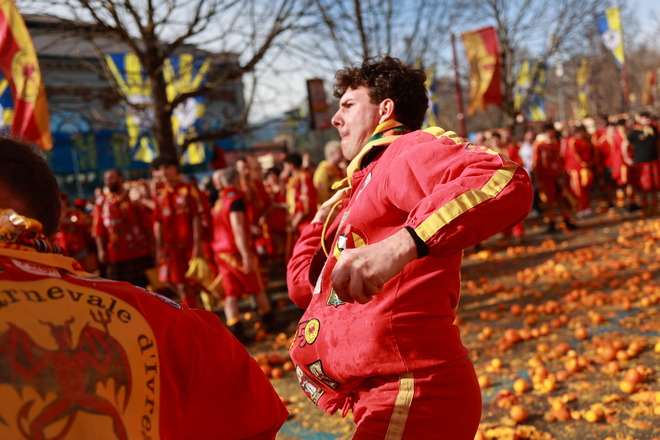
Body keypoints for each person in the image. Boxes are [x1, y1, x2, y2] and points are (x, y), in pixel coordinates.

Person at [286, 56, 533, 439]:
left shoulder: (407, 149)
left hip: (412, 388)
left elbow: (504, 178)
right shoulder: (360, 184)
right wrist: (318, 223)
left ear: (385, 109)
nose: (335, 119)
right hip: (379, 393)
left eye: (348, 105)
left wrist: (400, 246)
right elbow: (302, 287)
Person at [0, 136, 288, 439]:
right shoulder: (171, 321)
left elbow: (196, 222)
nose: (161, 175)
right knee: (209, 290)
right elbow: (254, 414)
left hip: (189, 252)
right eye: (158, 171)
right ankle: (242, 323)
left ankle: (261, 320)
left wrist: (192, 249)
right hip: (164, 263)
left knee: (211, 288)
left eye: (165, 170)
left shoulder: (190, 194)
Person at [211, 167, 274, 339]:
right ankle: (269, 321)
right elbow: (237, 228)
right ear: (237, 180)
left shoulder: (219, 201)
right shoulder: (235, 200)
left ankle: (236, 330)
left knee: (230, 293)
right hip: (235, 252)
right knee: (256, 287)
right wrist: (245, 254)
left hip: (221, 252)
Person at [151, 156, 204, 308]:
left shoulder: (187, 190)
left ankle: (199, 311)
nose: (164, 172)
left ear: (176, 169)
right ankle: (193, 311)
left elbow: (196, 216)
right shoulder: (159, 195)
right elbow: (158, 223)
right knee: (174, 282)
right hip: (171, 248)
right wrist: (159, 248)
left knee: (196, 281)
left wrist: (197, 243)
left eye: (167, 167)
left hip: (189, 245)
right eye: (160, 169)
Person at [92, 169, 154, 287]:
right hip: (115, 255)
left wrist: (153, 246)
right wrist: (101, 250)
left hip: (139, 251)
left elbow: (146, 223)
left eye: (111, 178)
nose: (108, 181)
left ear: (120, 179)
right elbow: (98, 229)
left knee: (143, 288)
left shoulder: (133, 197)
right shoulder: (102, 202)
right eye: (106, 179)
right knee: (121, 289)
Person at [623, 111, 660, 215]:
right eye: (645, 118)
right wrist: (626, 158)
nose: (647, 120)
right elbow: (624, 144)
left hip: (653, 161)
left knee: (655, 188)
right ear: (640, 119)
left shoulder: (654, 130)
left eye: (648, 118)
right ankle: (645, 209)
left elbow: (658, 144)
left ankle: (655, 208)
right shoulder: (634, 132)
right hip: (641, 163)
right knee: (643, 188)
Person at [313, 140, 345, 206]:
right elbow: (322, 197)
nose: (343, 153)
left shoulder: (338, 170)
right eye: (340, 151)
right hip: (330, 210)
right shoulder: (323, 171)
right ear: (331, 153)